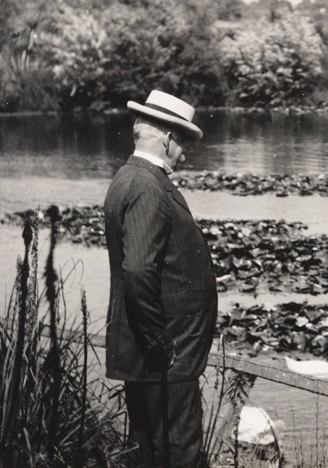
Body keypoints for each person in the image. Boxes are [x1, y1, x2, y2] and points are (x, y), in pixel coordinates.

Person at [104, 90, 218, 468]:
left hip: (150, 356)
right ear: (167, 138)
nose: (184, 152)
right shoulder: (148, 187)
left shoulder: (127, 178)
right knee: (179, 455)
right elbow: (137, 271)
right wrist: (161, 344)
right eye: (182, 140)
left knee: (150, 454)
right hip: (164, 359)